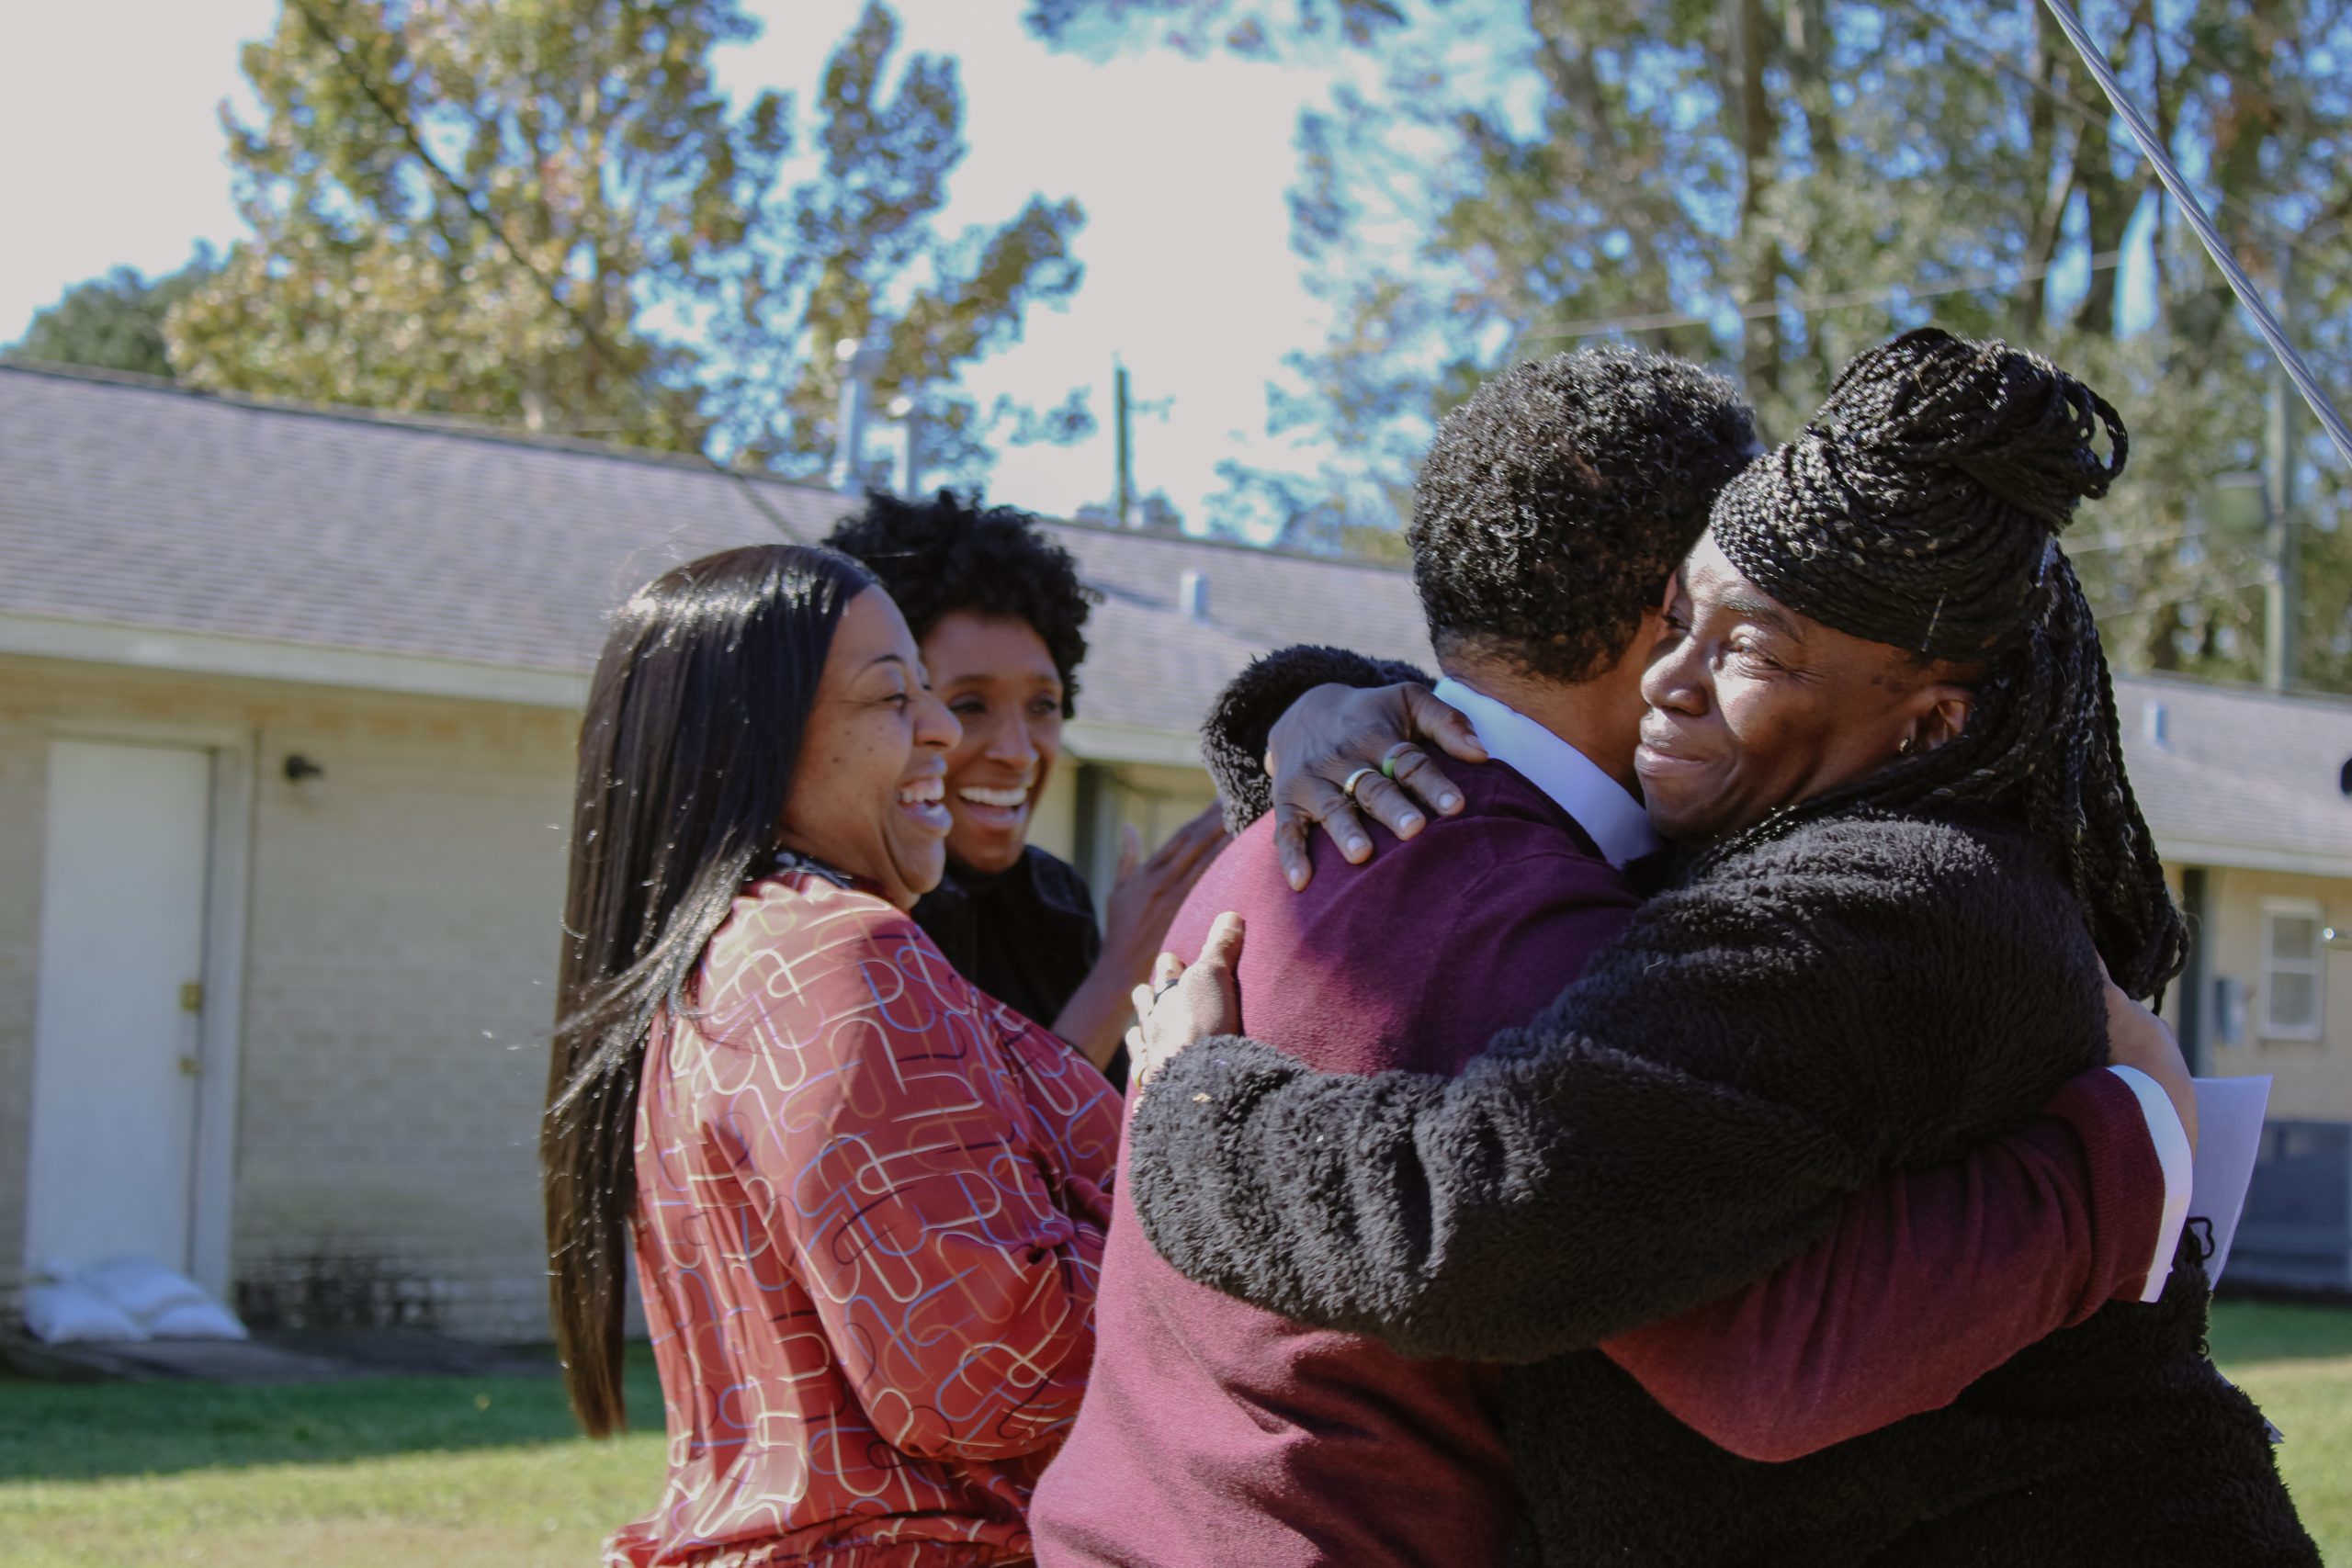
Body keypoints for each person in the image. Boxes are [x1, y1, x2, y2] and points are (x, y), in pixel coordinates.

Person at [1124, 331, 2316, 1564]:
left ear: (1930, 718)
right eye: (1679, 618)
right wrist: (1307, 705)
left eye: (1745, 646)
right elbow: (1516, 748)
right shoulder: (1757, 843)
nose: (1667, 680)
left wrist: (1199, 1102)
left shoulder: (1878, 906)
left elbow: (1499, 1225)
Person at [541, 544, 1119, 1568]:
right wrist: (1208, 1142)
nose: (942, 729)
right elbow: (983, 1371)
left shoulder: (717, 965)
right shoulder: (840, 954)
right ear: (753, 746)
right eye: (896, 699)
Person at [826, 491, 1225, 1081]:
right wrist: (1120, 971)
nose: (1017, 752)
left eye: (1042, 705)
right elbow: (986, 1155)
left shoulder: (1052, 898)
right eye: (968, 705)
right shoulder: (841, 918)